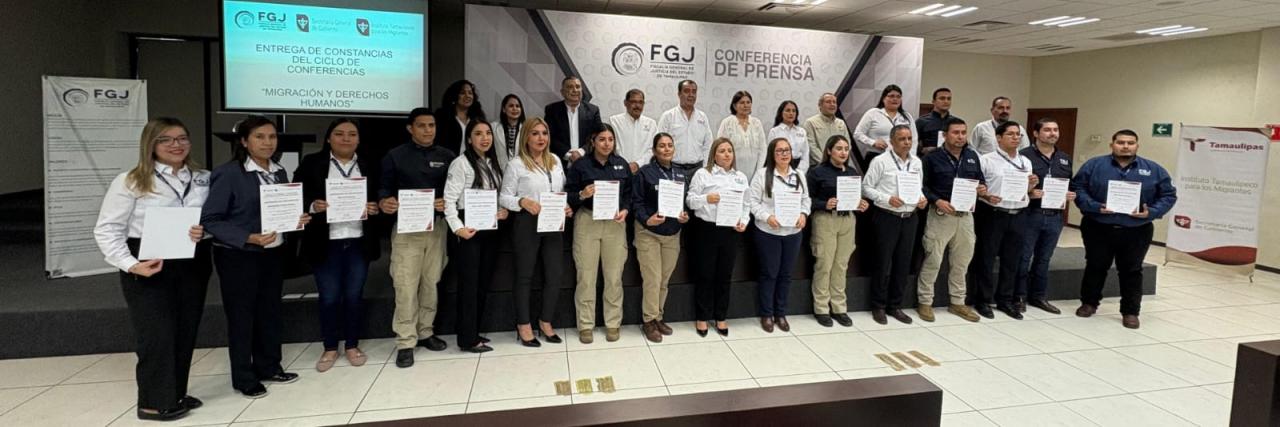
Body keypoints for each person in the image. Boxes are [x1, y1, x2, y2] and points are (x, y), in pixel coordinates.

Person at [94, 117, 211, 420]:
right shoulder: (131, 180)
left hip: (193, 261)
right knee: (156, 334)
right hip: (149, 264)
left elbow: (212, 219)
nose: (176, 145)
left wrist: (205, 231)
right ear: (151, 144)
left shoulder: (202, 178)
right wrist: (131, 265)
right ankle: (152, 402)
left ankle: (175, 392)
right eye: (166, 139)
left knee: (185, 330)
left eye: (182, 138)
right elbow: (107, 229)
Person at [201, 116, 308, 398]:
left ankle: (269, 366)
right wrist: (248, 237)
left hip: (273, 254)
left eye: (272, 137)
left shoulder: (279, 171)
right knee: (242, 316)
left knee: (269, 312)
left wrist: (296, 218)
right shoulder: (229, 173)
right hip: (239, 255)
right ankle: (244, 377)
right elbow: (211, 219)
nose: (267, 143)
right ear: (244, 141)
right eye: (260, 137)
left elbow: (278, 211)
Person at [294, 119, 381, 372]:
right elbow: (296, 194)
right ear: (329, 138)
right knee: (330, 297)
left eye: (352, 134)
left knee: (354, 296)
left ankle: (352, 345)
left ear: (359, 139)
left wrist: (376, 207)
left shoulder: (369, 164)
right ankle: (330, 346)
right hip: (326, 241)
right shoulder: (312, 163)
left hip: (358, 240)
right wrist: (313, 205)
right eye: (339, 134)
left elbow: (381, 195)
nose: (346, 138)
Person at [1072, 130, 1176, 329]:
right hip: (1098, 226)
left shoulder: (1154, 169)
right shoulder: (1094, 165)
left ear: (1137, 146)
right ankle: (1089, 303)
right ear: (1112, 145)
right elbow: (1078, 188)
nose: (1126, 146)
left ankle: (1130, 311)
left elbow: (1168, 195)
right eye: (1121, 142)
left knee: (1132, 270)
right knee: (1095, 266)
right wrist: (1095, 206)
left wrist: (1152, 212)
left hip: (1137, 229)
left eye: (1130, 142)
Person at [379, 108, 455, 368]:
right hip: (407, 230)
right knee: (405, 285)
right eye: (421, 125)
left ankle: (425, 332)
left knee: (431, 282)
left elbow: (454, 190)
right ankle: (405, 341)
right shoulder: (395, 156)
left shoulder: (447, 156)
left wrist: (447, 202)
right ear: (410, 128)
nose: (427, 130)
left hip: (437, 228)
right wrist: (385, 201)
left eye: (431, 125)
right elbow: (383, 189)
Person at [500, 117, 571, 346]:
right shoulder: (516, 164)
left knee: (554, 274)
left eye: (544, 133)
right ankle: (523, 324)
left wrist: (566, 206)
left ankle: (545, 321)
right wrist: (522, 201)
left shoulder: (555, 161)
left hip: (553, 223)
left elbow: (561, 190)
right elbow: (504, 197)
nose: (541, 138)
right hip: (527, 223)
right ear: (526, 137)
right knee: (525, 275)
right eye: (535, 133)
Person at [444, 120, 509, 353]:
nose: (485, 138)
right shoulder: (460, 164)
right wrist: (458, 228)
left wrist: (502, 211)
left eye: (488, 133)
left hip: (490, 227)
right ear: (469, 139)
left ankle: (474, 331)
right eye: (478, 134)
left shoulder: (493, 163)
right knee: (469, 285)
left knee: (482, 283)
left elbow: (496, 195)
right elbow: (449, 201)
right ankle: (467, 338)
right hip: (468, 229)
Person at [565, 124, 632, 344]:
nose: (606, 144)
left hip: (615, 223)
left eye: (610, 139)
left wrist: (625, 209)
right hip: (587, 221)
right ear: (593, 141)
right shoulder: (580, 165)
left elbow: (629, 194)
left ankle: (613, 322)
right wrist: (582, 194)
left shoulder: (621, 164)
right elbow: (568, 195)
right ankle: (586, 324)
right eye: (602, 139)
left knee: (614, 276)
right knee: (586, 276)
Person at [915, 117, 984, 323]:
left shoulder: (972, 156)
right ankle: (925, 301)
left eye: (963, 132)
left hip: (966, 216)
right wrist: (936, 200)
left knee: (962, 261)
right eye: (956, 133)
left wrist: (982, 189)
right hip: (941, 215)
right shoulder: (931, 158)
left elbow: (980, 180)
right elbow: (922, 186)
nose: (960, 137)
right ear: (945, 135)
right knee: (933, 260)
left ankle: (957, 302)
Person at [969, 121, 1038, 320]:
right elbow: (978, 188)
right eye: (1011, 134)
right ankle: (983, 300)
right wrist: (985, 195)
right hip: (993, 214)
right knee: (986, 258)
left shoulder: (1026, 162)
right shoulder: (986, 160)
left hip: (1018, 214)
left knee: (1011, 260)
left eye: (1018, 134)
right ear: (998, 138)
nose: (1016, 138)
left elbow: (1025, 190)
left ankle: (1005, 300)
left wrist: (1031, 186)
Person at [862, 125, 928, 325]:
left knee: (903, 263)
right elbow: (866, 188)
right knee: (882, 262)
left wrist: (922, 198)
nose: (907, 142)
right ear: (892, 141)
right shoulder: (880, 161)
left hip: (910, 217)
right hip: (887, 217)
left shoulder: (916, 162)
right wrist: (887, 198)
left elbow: (919, 187)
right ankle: (878, 306)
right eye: (902, 139)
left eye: (909, 138)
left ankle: (895, 305)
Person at [686, 137, 750, 337]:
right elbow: (690, 201)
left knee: (725, 275)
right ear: (714, 154)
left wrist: (744, 221)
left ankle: (721, 316)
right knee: (705, 275)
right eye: (722, 151)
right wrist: (706, 198)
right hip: (707, 230)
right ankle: (702, 317)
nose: (726, 154)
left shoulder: (740, 177)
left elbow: (746, 204)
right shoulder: (703, 174)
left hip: (730, 231)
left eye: (729, 150)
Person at [632, 133, 690, 342]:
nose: (666, 149)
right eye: (662, 146)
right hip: (649, 233)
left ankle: (658, 316)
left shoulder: (680, 174)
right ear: (654, 150)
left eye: (669, 145)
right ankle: (648, 320)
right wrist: (647, 219)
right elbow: (636, 202)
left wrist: (684, 216)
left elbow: (684, 203)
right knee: (652, 279)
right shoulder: (645, 173)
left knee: (664, 280)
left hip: (672, 233)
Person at [749, 137, 812, 333]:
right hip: (769, 232)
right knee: (769, 273)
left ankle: (780, 313)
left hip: (793, 233)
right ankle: (767, 314)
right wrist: (767, 217)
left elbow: (806, 200)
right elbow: (752, 203)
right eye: (779, 151)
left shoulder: (798, 175)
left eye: (787, 150)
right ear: (772, 154)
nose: (784, 154)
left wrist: (804, 214)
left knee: (786, 274)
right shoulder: (762, 175)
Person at [805, 135, 867, 327]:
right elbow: (807, 200)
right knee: (824, 264)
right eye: (839, 148)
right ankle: (821, 308)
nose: (843, 152)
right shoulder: (817, 172)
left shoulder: (852, 172)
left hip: (848, 220)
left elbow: (856, 197)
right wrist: (824, 203)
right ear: (829, 151)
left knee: (841, 265)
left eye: (846, 149)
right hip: (826, 220)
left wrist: (861, 203)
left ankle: (839, 307)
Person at [1018, 118, 1075, 315]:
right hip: (1030, 213)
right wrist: (1028, 192)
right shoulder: (1023, 156)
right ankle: (1019, 296)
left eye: (1056, 129)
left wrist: (1070, 194)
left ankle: (1039, 296)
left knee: (1044, 259)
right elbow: (1012, 186)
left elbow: (1070, 183)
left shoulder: (1064, 158)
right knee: (1023, 257)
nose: (1053, 133)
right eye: (1047, 130)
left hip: (1055, 215)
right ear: (1035, 133)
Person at [854, 85, 918, 171]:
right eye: (891, 96)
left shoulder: (907, 116)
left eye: (898, 96)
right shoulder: (873, 113)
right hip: (876, 156)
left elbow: (914, 139)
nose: (895, 99)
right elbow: (857, 134)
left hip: (900, 158)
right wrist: (873, 142)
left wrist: (911, 159)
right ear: (883, 98)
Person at [656, 80, 713, 174]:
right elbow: (659, 144)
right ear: (679, 94)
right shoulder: (668, 116)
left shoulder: (702, 117)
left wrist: (705, 167)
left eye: (694, 92)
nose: (691, 95)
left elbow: (708, 144)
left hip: (698, 169)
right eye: (686, 91)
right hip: (673, 168)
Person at [546, 76, 603, 162]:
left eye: (578, 87)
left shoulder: (593, 110)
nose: (575, 90)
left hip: (588, 162)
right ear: (562, 92)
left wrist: (581, 152)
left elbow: (599, 135)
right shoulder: (552, 110)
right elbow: (550, 136)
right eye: (570, 87)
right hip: (560, 162)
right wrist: (568, 155)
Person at [716, 90, 766, 177]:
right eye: (742, 103)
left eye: (748, 102)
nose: (746, 105)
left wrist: (759, 172)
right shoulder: (727, 123)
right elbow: (720, 148)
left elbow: (763, 149)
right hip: (731, 173)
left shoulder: (756, 123)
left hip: (755, 173)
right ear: (735, 106)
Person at [608, 88, 658, 173]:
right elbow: (612, 147)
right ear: (625, 103)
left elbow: (653, 149)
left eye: (640, 102)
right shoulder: (614, 121)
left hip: (644, 170)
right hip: (619, 169)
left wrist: (637, 164)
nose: (637, 106)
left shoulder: (651, 123)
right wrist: (625, 165)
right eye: (633, 102)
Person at [436, 80, 486, 154]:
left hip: (473, 160)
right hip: (449, 159)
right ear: (454, 96)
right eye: (462, 93)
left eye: (470, 93)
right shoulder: (442, 116)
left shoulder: (478, 117)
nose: (467, 96)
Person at [803, 93, 851, 167]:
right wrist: (827, 163)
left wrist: (840, 161)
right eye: (828, 102)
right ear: (820, 105)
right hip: (818, 166)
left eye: (834, 102)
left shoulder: (841, 123)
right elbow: (811, 147)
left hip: (839, 165)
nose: (832, 104)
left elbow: (848, 144)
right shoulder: (810, 122)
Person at [915, 88, 960, 156]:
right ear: (933, 101)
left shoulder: (956, 123)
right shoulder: (921, 122)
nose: (946, 101)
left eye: (949, 99)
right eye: (942, 98)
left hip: (950, 159)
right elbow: (912, 143)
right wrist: (922, 149)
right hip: (927, 159)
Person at [767, 100, 810, 173]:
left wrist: (800, 172)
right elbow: (771, 154)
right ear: (781, 113)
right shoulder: (774, 131)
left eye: (794, 111)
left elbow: (805, 153)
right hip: (780, 167)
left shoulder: (802, 131)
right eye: (788, 110)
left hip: (799, 167)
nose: (791, 113)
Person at [492, 94, 526, 170]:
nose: (515, 108)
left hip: (521, 170)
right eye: (511, 106)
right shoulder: (493, 127)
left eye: (517, 106)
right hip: (499, 170)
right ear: (504, 109)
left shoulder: (527, 129)